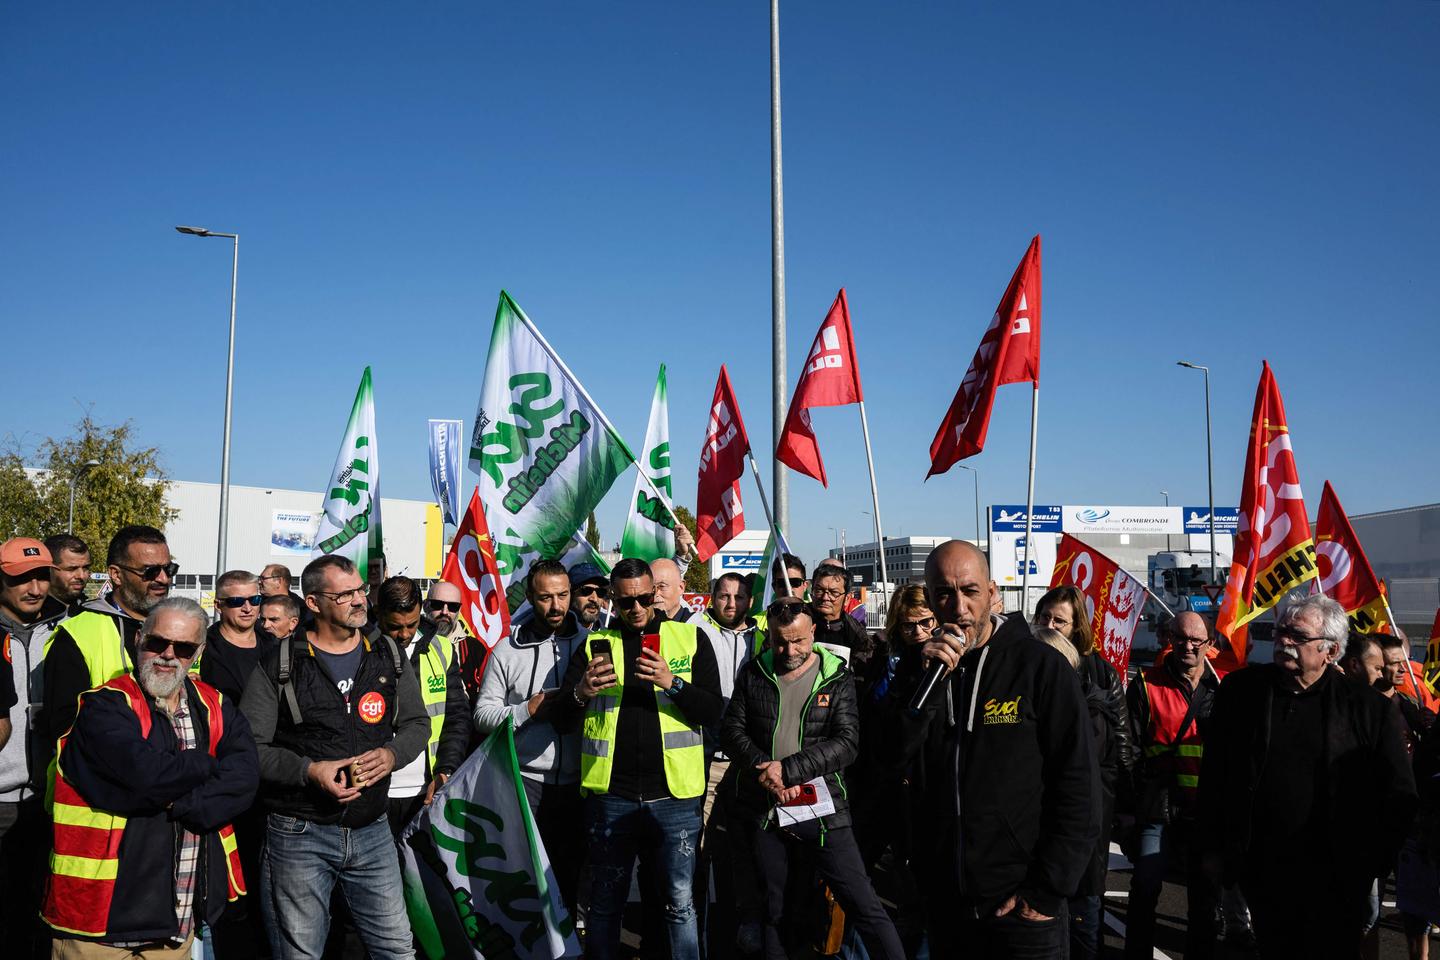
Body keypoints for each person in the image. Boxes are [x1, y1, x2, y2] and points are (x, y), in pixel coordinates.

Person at [884, 539, 1098, 957]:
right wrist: (918, 688)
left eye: (970, 591)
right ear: (929, 598)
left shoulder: (1040, 667)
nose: (958, 607)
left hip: (1021, 909)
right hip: (945, 904)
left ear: (993, 593)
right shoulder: (919, 669)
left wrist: (1047, 891)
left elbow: (1079, 785)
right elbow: (886, 759)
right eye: (944, 593)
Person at [1200, 592, 1418, 958]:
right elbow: (1216, 776)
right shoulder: (1242, 694)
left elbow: (1399, 793)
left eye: (1298, 637)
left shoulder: (1368, 709)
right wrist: (1213, 848)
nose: (1284, 641)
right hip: (1265, 869)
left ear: (1330, 651)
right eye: (1282, 631)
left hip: (1339, 875)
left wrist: (1373, 862)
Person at [42, 597, 258, 958]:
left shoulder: (215, 704)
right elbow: (146, 775)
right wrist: (206, 765)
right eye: (158, 643)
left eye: (184, 648)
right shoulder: (103, 705)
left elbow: (245, 779)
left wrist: (182, 799)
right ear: (139, 638)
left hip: (178, 919)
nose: (168, 655)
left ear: (199, 652)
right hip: (101, 923)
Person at [241, 555, 429, 960]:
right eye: (345, 594)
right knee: (300, 953)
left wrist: (392, 754)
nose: (359, 600)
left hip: (372, 830)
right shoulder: (280, 663)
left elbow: (417, 723)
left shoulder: (389, 655)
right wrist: (309, 771)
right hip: (298, 834)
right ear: (313, 603)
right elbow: (249, 749)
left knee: (397, 949)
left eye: (361, 590)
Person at [555, 558, 724, 960]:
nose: (636, 609)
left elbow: (713, 711)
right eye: (626, 600)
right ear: (613, 598)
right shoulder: (595, 645)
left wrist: (673, 683)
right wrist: (580, 691)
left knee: (679, 904)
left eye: (645, 598)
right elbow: (562, 719)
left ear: (656, 594)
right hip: (611, 796)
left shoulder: (690, 638)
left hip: (676, 797)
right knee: (605, 904)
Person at [721, 597, 905, 960]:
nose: (789, 649)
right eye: (780, 641)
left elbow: (847, 742)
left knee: (862, 902)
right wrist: (767, 770)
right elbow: (731, 730)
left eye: (799, 641)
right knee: (776, 908)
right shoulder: (755, 671)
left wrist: (789, 770)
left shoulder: (837, 676)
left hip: (822, 811)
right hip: (767, 807)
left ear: (813, 633)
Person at [474, 560, 588, 911]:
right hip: (526, 783)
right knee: (526, 882)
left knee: (570, 878)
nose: (556, 606)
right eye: (545, 598)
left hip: (580, 784)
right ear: (529, 597)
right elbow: (482, 716)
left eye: (563, 595)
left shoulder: (591, 643)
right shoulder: (507, 651)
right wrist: (527, 710)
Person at [1033, 584, 1132, 960]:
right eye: (1044, 617)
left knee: (1084, 912)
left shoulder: (1099, 674)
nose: (1051, 625)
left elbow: (1121, 746)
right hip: (1037, 814)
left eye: (1060, 620)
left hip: (1089, 810)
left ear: (1077, 628)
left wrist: (1120, 804)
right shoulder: (1026, 664)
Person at [1123, 611, 1222, 960]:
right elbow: (1129, 749)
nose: (1188, 646)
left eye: (1197, 640)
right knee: (1146, 885)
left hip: (1207, 810)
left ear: (1210, 645)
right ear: (1169, 638)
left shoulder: (1223, 687)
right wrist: (1131, 810)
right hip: (1159, 807)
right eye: (1180, 638)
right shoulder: (1145, 685)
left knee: (1204, 896)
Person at [42, 525, 175, 758]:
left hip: (174, 776)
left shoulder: (181, 629)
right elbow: (66, 731)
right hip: (106, 782)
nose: (163, 579)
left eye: (168, 568)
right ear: (116, 574)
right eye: (150, 571)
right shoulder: (75, 634)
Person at [371, 577, 470, 839]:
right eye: (394, 626)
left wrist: (445, 770)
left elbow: (457, 718)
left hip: (426, 790)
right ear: (378, 613)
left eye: (411, 625)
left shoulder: (443, 648)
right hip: (373, 793)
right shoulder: (359, 648)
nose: (404, 634)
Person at [0, 539, 45, 957]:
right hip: (0, 801)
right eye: (21, 578)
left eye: (41, 576)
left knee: (36, 917)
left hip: (48, 800)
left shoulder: (62, 629)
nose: (34, 587)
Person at [202, 571, 274, 703]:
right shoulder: (202, 647)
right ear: (218, 606)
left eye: (254, 600)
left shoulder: (275, 643)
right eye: (237, 601)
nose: (247, 608)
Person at [809, 563, 870, 670]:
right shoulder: (796, 621)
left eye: (834, 593)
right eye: (819, 590)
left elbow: (862, 674)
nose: (825, 597)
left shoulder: (856, 633)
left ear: (847, 598)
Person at [43, 534, 92, 612]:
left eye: (85, 568)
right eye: (72, 569)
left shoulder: (94, 613)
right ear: (48, 569)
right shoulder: (31, 616)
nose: (81, 576)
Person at [568, 562, 611, 630]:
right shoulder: (553, 634)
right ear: (570, 594)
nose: (594, 599)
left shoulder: (611, 629)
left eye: (600, 592)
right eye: (586, 591)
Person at [652, 557, 695, 623]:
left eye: (662, 586)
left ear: (681, 587)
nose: (655, 594)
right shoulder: (639, 626)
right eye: (651, 588)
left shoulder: (698, 630)